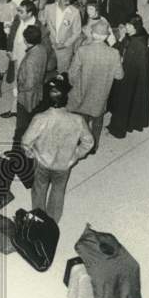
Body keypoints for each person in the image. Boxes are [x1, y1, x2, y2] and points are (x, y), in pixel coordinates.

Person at [22, 77, 94, 222]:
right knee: (58, 191)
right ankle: (53, 221)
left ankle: (38, 217)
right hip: (64, 164)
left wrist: (31, 154)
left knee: (39, 190)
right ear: (65, 99)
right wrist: (75, 155)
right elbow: (89, 142)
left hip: (42, 162)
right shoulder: (77, 120)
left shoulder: (40, 118)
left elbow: (26, 141)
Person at [68, 20, 124, 154]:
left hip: (82, 94)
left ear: (92, 34)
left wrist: (75, 85)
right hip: (100, 96)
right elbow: (119, 76)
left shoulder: (82, 50)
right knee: (97, 122)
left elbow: (72, 73)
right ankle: (94, 146)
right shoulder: (114, 53)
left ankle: (80, 143)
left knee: (81, 121)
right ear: (106, 36)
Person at [107, 15, 149, 138]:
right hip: (127, 75)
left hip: (129, 78)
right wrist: (121, 39)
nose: (126, 27)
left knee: (123, 103)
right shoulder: (135, 36)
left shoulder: (138, 44)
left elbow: (134, 63)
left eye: (128, 25)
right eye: (126, 25)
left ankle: (117, 130)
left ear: (134, 27)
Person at [13, 24, 48, 149]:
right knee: (32, 123)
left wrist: (19, 89)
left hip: (26, 97)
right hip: (38, 93)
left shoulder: (30, 60)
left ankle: (17, 153)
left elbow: (29, 83)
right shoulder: (42, 49)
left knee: (21, 128)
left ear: (25, 40)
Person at [45, 0, 82, 74]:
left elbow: (77, 32)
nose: (67, 0)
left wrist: (65, 44)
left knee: (63, 72)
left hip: (65, 48)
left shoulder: (75, 12)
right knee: (46, 67)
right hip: (50, 45)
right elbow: (43, 24)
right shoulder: (49, 8)